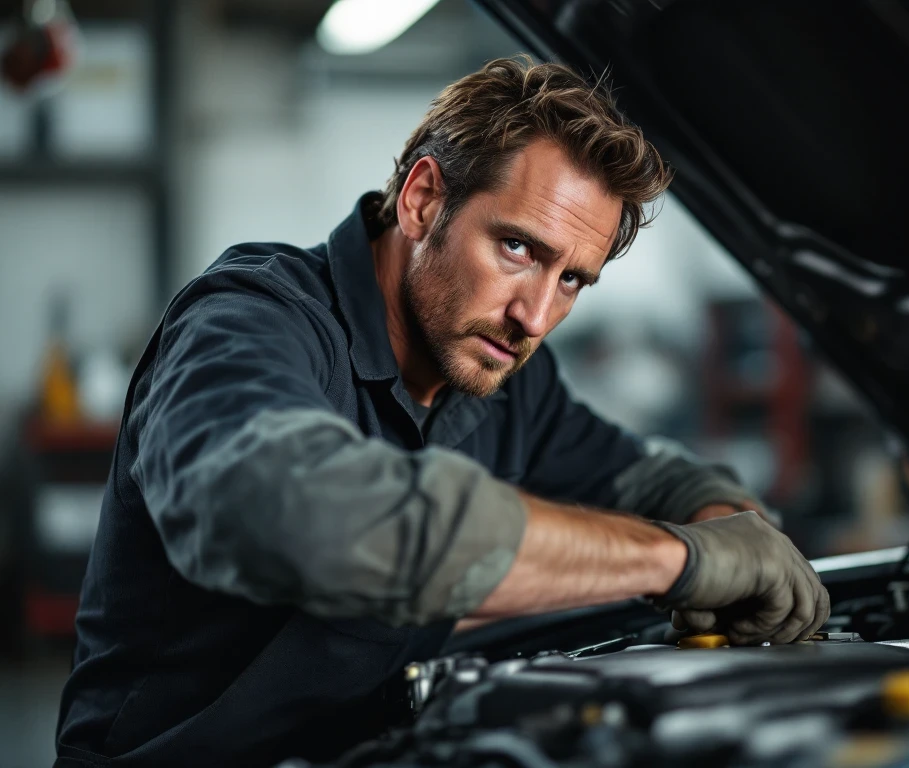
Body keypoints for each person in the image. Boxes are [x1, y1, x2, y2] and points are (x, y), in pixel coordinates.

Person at [55, 57, 829, 767]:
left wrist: (733, 527)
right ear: (424, 200)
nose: (534, 316)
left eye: (572, 281)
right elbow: (322, 522)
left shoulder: (505, 375)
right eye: (519, 249)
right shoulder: (248, 323)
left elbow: (652, 477)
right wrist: (682, 560)